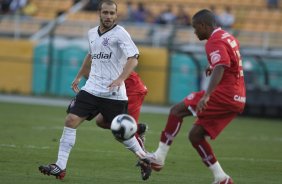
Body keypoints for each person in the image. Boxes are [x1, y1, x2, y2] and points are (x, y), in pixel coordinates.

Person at [38, 0, 151, 181]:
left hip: (113, 93)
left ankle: (144, 158)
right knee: (71, 119)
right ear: (99, 13)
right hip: (91, 89)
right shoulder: (92, 33)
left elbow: (134, 58)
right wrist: (78, 76)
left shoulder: (120, 33)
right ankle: (59, 166)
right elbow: (91, 55)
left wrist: (120, 79)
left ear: (116, 15)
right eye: (105, 13)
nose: (108, 16)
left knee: (120, 132)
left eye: (111, 13)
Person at [146, 9, 246, 184]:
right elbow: (229, 61)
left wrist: (207, 95)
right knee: (195, 135)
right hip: (238, 97)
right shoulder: (227, 36)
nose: (194, 32)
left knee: (176, 111)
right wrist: (212, 65)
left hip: (224, 94)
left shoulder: (213, 41)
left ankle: (159, 157)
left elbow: (222, 66)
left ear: (203, 26)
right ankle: (221, 177)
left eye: (195, 28)